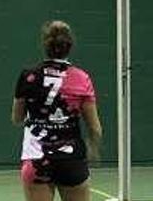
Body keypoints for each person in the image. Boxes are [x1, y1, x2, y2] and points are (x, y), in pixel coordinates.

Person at [11, 20, 103, 201]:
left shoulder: (28, 76)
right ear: (70, 45)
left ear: (45, 45)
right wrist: (94, 148)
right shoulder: (81, 78)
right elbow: (95, 127)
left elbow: (17, 118)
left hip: (37, 158)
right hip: (71, 160)